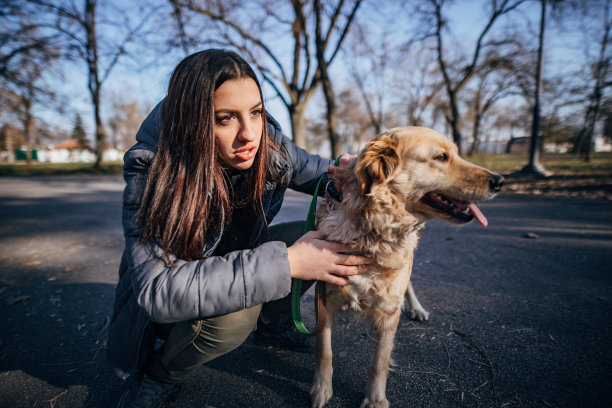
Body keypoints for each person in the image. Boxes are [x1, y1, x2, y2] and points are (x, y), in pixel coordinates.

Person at [108, 49, 373, 408]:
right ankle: (162, 373)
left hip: (239, 264)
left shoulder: (270, 144)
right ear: (192, 122)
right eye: (225, 119)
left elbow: (320, 172)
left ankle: (273, 324)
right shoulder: (154, 170)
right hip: (176, 303)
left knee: (320, 238)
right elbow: (159, 290)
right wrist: (290, 263)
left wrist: (350, 173)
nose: (249, 134)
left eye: (256, 112)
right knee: (237, 314)